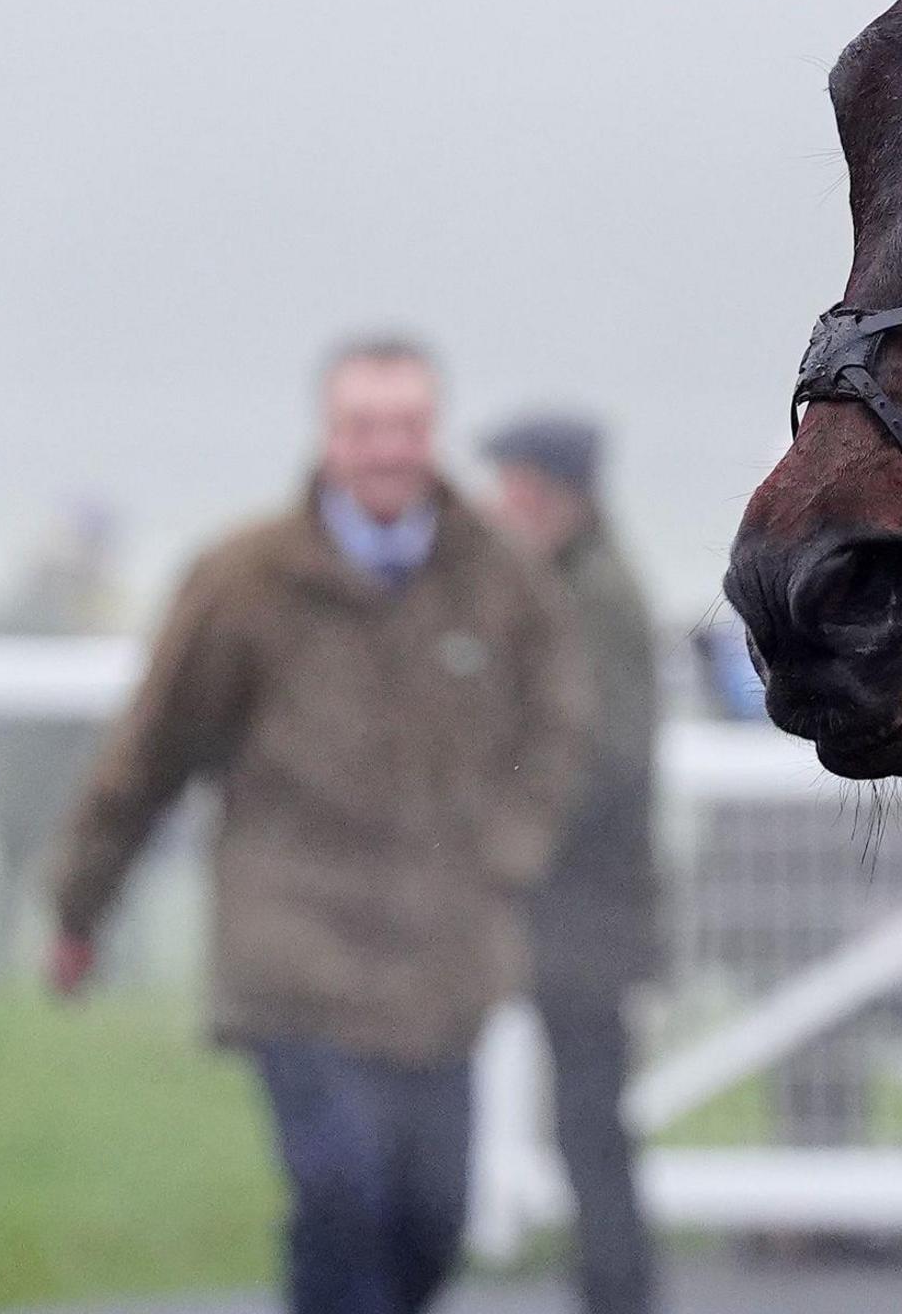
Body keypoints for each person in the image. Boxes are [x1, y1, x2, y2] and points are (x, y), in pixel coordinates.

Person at [49, 336, 590, 1314]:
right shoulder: (243, 580)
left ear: (434, 435)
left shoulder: (500, 578)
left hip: (442, 955)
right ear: (328, 437)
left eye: (406, 428)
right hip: (293, 948)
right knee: (341, 1196)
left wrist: (509, 849)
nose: (386, 450)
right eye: (363, 428)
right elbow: (152, 750)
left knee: (430, 1222)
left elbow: (559, 722)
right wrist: (79, 906)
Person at [479, 411, 662, 1314]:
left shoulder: (591, 598)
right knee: (587, 1125)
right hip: (578, 909)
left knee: (590, 1126)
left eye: (513, 484)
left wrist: (504, 828)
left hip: (586, 912)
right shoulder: (575, 583)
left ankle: (617, 1295)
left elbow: (607, 758)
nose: (498, 503)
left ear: (557, 495)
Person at [0, 500, 127, 991]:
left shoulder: (96, 612)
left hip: (62, 773)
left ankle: (97, 971)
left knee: (79, 872)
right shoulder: (39, 614)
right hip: (30, 774)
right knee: (19, 873)